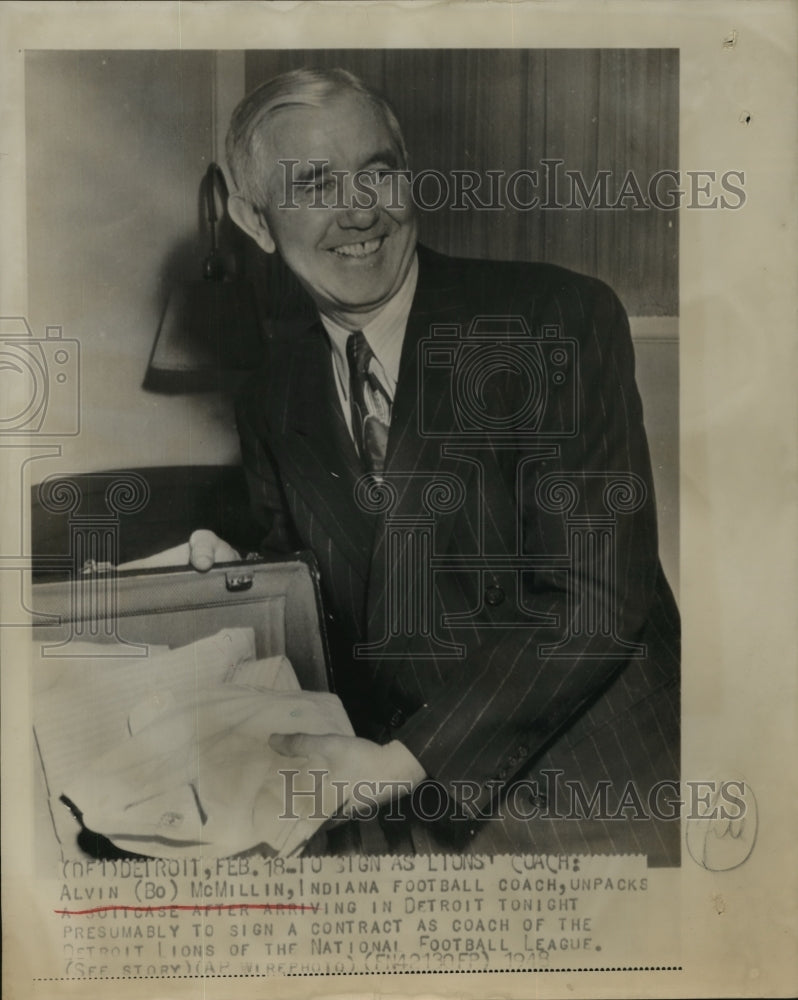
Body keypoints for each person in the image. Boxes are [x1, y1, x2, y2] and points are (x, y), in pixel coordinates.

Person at [191, 67, 680, 863]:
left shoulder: (553, 319)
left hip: (602, 799)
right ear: (252, 219)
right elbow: (325, 600)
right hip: (415, 811)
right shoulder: (273, 397)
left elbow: (594, 599)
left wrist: (396, 766)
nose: (360, 210)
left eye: (379, 170)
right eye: (314, 183)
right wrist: (224, 586)